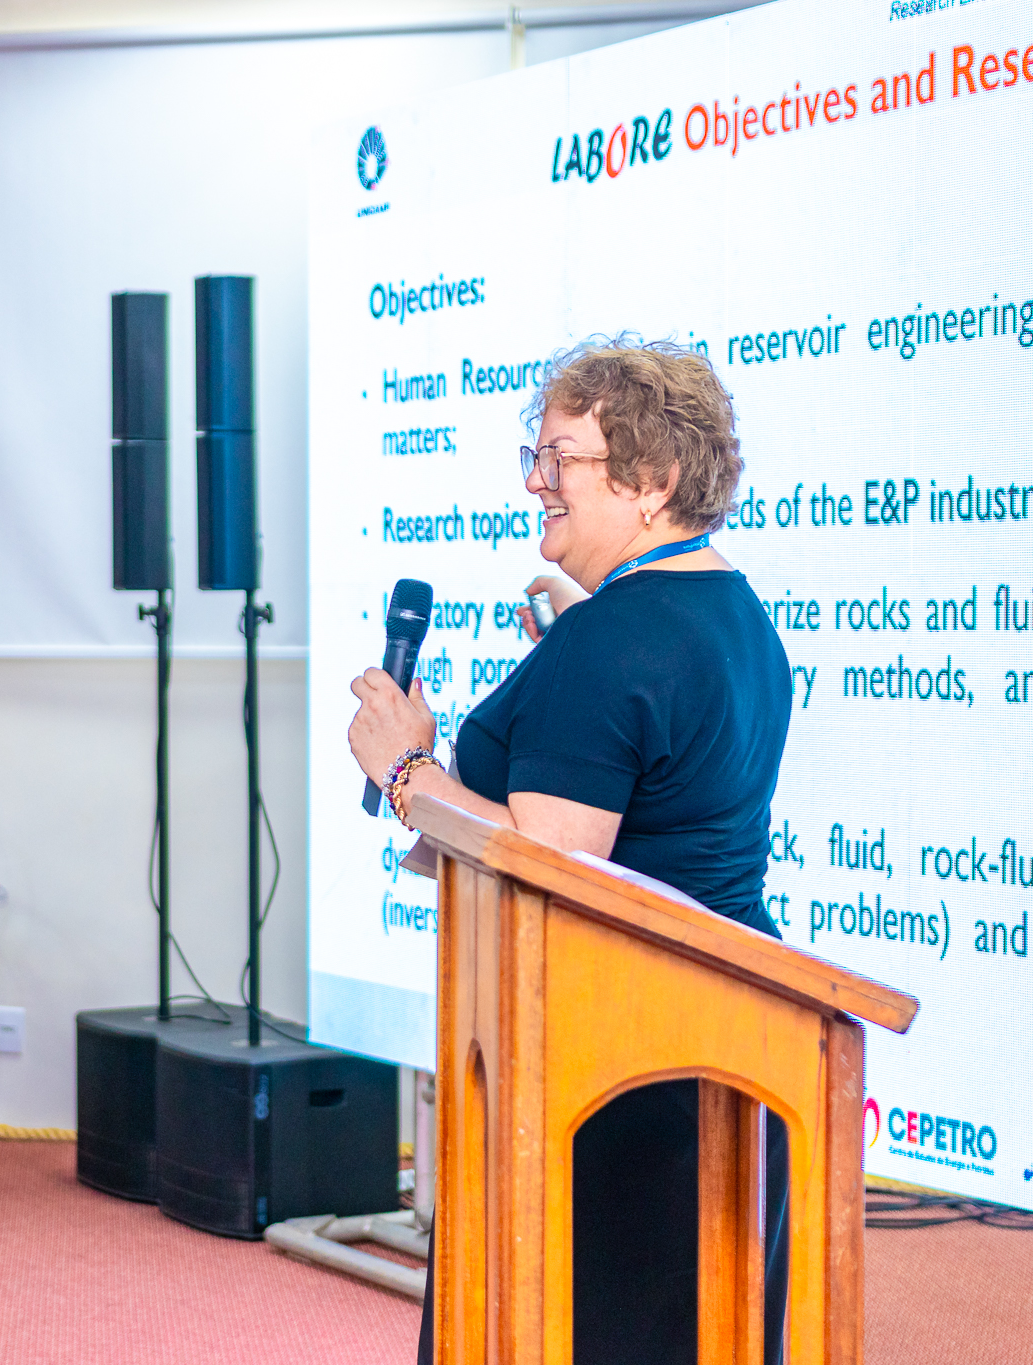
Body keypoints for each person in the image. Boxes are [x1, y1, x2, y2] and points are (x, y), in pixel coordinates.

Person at [346, 337, 792, 1365]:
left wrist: (405, 769)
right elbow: (659, 803)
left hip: (614, 1071)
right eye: (535, 457)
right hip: (723, 1051)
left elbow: (554, 864)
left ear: (653, 481)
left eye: (561, 460)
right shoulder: (732, 615)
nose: (536, 482)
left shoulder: (615, 642)